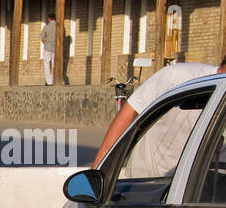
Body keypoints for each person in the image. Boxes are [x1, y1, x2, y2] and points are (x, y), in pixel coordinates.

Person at [91, 55, 226, 171]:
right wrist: (99, 170)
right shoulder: (179, 77)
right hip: (147, 185)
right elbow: (129, 113)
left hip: (203, 191)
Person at [41, 13, 58, 85]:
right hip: (56, 47)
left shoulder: (46, 26)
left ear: (49, 19)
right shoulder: (58, 27)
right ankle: (56, 79)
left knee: (47, 64)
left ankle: (49, 81)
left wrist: (47, 43)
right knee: (55, 64)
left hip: (47, 47)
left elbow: (42, 38)